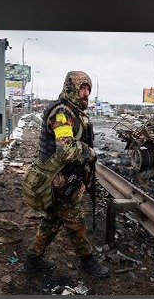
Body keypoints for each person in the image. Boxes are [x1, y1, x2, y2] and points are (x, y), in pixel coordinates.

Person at [23, 71, 109, 278]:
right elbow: (66, 150)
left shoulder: (75, 111)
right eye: (82, 88)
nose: (86, 93)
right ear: (71, 88)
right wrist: (89, 152)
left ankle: (32, 260)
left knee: (53, 220)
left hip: (64, 178)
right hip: (57, 180)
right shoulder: (62, 113)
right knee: (75, 221)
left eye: (88, 89)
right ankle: (88, 260)